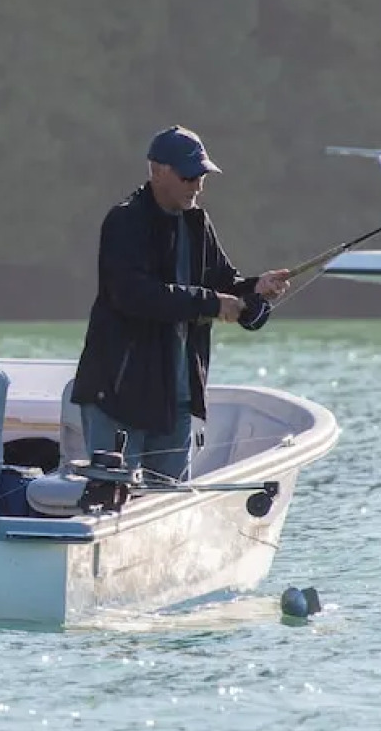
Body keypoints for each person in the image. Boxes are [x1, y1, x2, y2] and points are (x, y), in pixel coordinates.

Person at [69, 125, 291, 484]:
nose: (198, 185)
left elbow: (223, 282)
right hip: (116, 397)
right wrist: (210, 303)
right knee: (111, 500)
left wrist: (256, 289)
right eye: (189, 176)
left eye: (202, 175)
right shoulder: (124, 221)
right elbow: (133, 294)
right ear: (157, 171)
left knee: (168, 504)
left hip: (177, 401)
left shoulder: (197, 222)